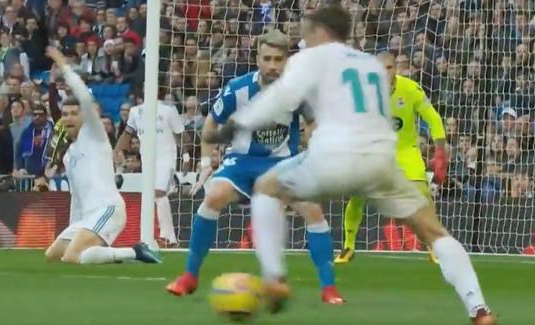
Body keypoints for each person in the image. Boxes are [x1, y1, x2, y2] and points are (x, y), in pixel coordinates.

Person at [210, 5, 498, 325]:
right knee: (433, 229)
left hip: (331, 157)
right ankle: (479, 308)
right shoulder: (371, 66)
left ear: (321, 31)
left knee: (265, 188)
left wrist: (236, 124)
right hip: (380, 162)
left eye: (306, 29)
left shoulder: (311, 58)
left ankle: (275, 278)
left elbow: (281, 97)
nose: (301, 35)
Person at [165, 30, 343, 304]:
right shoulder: (238, 89)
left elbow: (312, 124)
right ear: (257, 58)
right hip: (242, 162)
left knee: (313, 209)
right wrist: (204, 163)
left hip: (281, 164)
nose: (273, 65)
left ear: (287, 60)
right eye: (267, 58)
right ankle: (190, 276)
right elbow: (212, 123)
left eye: (278, 59)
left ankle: (328, 288)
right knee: (214, 196)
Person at [43, 47, 160, 265]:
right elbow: (76, 197)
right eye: (65, 114)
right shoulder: (69, 154)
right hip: (85, 217)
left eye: (74, 114)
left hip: (107, 209)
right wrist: (73, 228)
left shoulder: (94, 133)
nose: (68, 117)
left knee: (72, 257)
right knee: (53, 255)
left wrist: (63, 65)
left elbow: (84, 97)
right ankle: (107, 252)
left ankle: (134, 252)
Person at [335, 52, 447, 264]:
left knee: (423, 193)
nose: (384, 73)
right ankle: (348, 246)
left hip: (405, 150)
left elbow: (433, 118)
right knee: (357, 196)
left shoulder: (411, 89)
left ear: (396, 69)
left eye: (389, 68)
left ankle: (434, 246)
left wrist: (440, 151)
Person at [114, 86, 189, 248]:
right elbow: (126, 134)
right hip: (148, 160)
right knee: (150, 197)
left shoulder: (169, 111)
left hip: (167, 158)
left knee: (159, 193)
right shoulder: (135, 112)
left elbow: (182, 136)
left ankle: (167, 237)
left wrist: (186, 157)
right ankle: (150, 236)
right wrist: (115, 152)